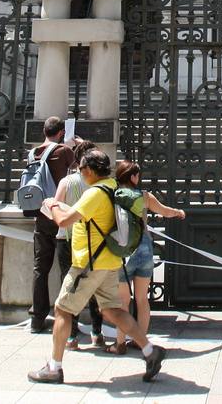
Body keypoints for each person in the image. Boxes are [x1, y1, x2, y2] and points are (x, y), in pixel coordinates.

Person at [28, 149, 166, 384]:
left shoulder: (94, 193)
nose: (80, 173)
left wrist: (52, 205)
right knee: (113, 310)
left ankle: (54, 367)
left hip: (88, 264)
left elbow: (63, 221)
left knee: (63, 310)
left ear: (90, 170)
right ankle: (149, 351)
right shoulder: (113, 186)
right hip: (110, 262)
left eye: (81, 169)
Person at [111, 160, 186, 354]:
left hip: (122, 250)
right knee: (142, 299)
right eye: (137, 175)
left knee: (123, 301)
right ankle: (140, 340)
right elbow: (164, 211)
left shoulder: (113, 195)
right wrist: (178, 212)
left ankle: (119, 343)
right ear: (133, 177)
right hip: (143, 247)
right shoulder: (144, 196)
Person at [50, 139, 105, 349]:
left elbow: (55, 207)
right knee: (93, 286)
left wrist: (52, 206)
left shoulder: (67, 182)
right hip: (92, 240)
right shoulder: (98, 184)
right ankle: (97, 333)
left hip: (67, 237)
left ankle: (71, 336)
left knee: (69, 286)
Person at [29, 117, 80, 334]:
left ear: (44, 131)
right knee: (67, 270)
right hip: (61, 216)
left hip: (42, 214)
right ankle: (68, 319)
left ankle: (37, 318)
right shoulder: (63, 151)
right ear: (60, 133)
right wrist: (76, 147)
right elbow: (82, 170)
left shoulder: (33, 153)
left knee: (40, 268)